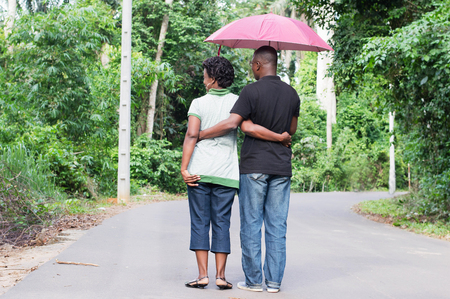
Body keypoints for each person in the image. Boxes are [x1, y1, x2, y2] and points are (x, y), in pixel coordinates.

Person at [181, 56, 290, 290]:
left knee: (200, 222)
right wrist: (280, 137)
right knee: (222, 223)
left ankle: (202, 276)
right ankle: (220, 276)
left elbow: (191, 135)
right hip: (227, 173)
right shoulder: (238, 100)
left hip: (200, 170)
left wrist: (184, 168)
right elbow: (244, 126)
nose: (203, 79)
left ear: (212, 79)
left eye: (204, 75)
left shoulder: (198, 103)